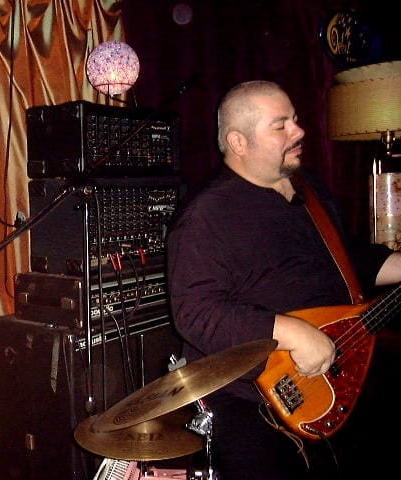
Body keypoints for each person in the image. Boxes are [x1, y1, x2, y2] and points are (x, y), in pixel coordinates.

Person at [166, 80, 401, 480]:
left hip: (340, 369)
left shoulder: (308, 187)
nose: (299, 131)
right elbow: (196, 313)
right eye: (281, 126)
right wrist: (291, 332)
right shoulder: (207, 215)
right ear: (238, 142)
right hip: (256, 399)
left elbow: (346, 257)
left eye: (295, 119)